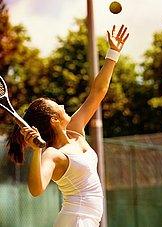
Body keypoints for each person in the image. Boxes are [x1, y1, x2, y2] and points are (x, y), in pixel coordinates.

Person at [6, 24, 129, 227]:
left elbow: (98, 92)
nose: (63, 105)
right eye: (58, 106)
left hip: (86, 221)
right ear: (54, 119)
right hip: (76, 221)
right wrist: (36, 152)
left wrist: (113, 52)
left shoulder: (75, 131)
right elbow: (36, 190)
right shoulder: (53, 154)